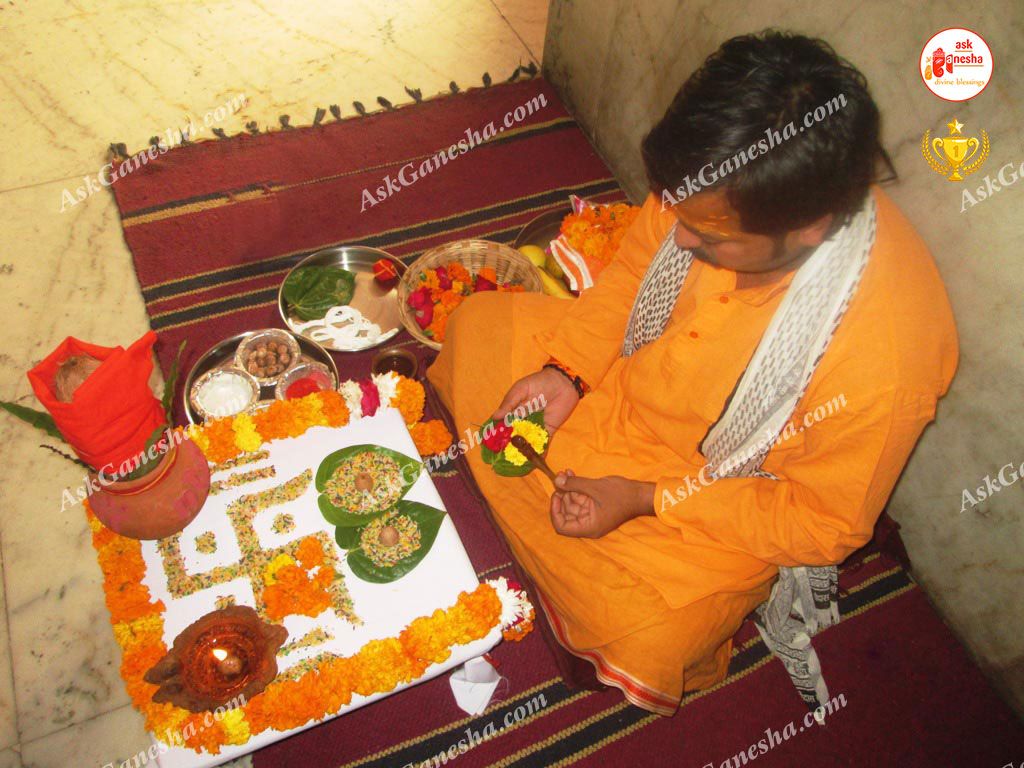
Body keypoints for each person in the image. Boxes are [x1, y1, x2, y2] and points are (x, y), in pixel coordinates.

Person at [427, 31, 958, 714]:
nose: (678, 238)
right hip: (620, 386)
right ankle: (560, 546)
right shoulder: (713, 180)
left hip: (716, 493)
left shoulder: (887, 355)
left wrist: (645, 499)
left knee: (652, 640)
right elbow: (630, 277)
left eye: (709, 235)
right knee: (476, 325)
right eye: (677, 212)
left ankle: (578, 558)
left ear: (808, 229)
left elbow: (821, 524)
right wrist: (567, 373)